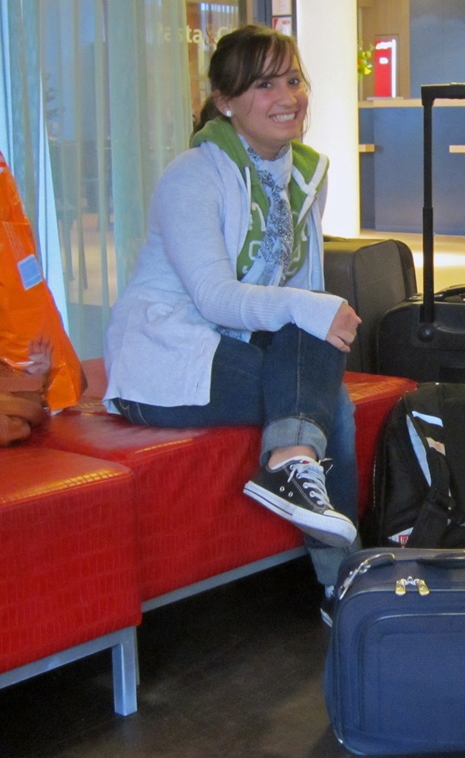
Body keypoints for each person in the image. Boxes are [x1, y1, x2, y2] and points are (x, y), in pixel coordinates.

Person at [102, 24, 360, 624]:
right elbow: (216, 298)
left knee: (316, 342)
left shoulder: (302, 175)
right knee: (332, 397)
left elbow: (297, 295)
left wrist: (313, 311)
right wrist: (310, 310)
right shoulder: (193, 174)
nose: (288, 96)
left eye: (293, 79)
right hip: (167, 361)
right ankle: (342, 581)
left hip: (239, 348)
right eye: (264, 84)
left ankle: (293, 469)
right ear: (225, 101)